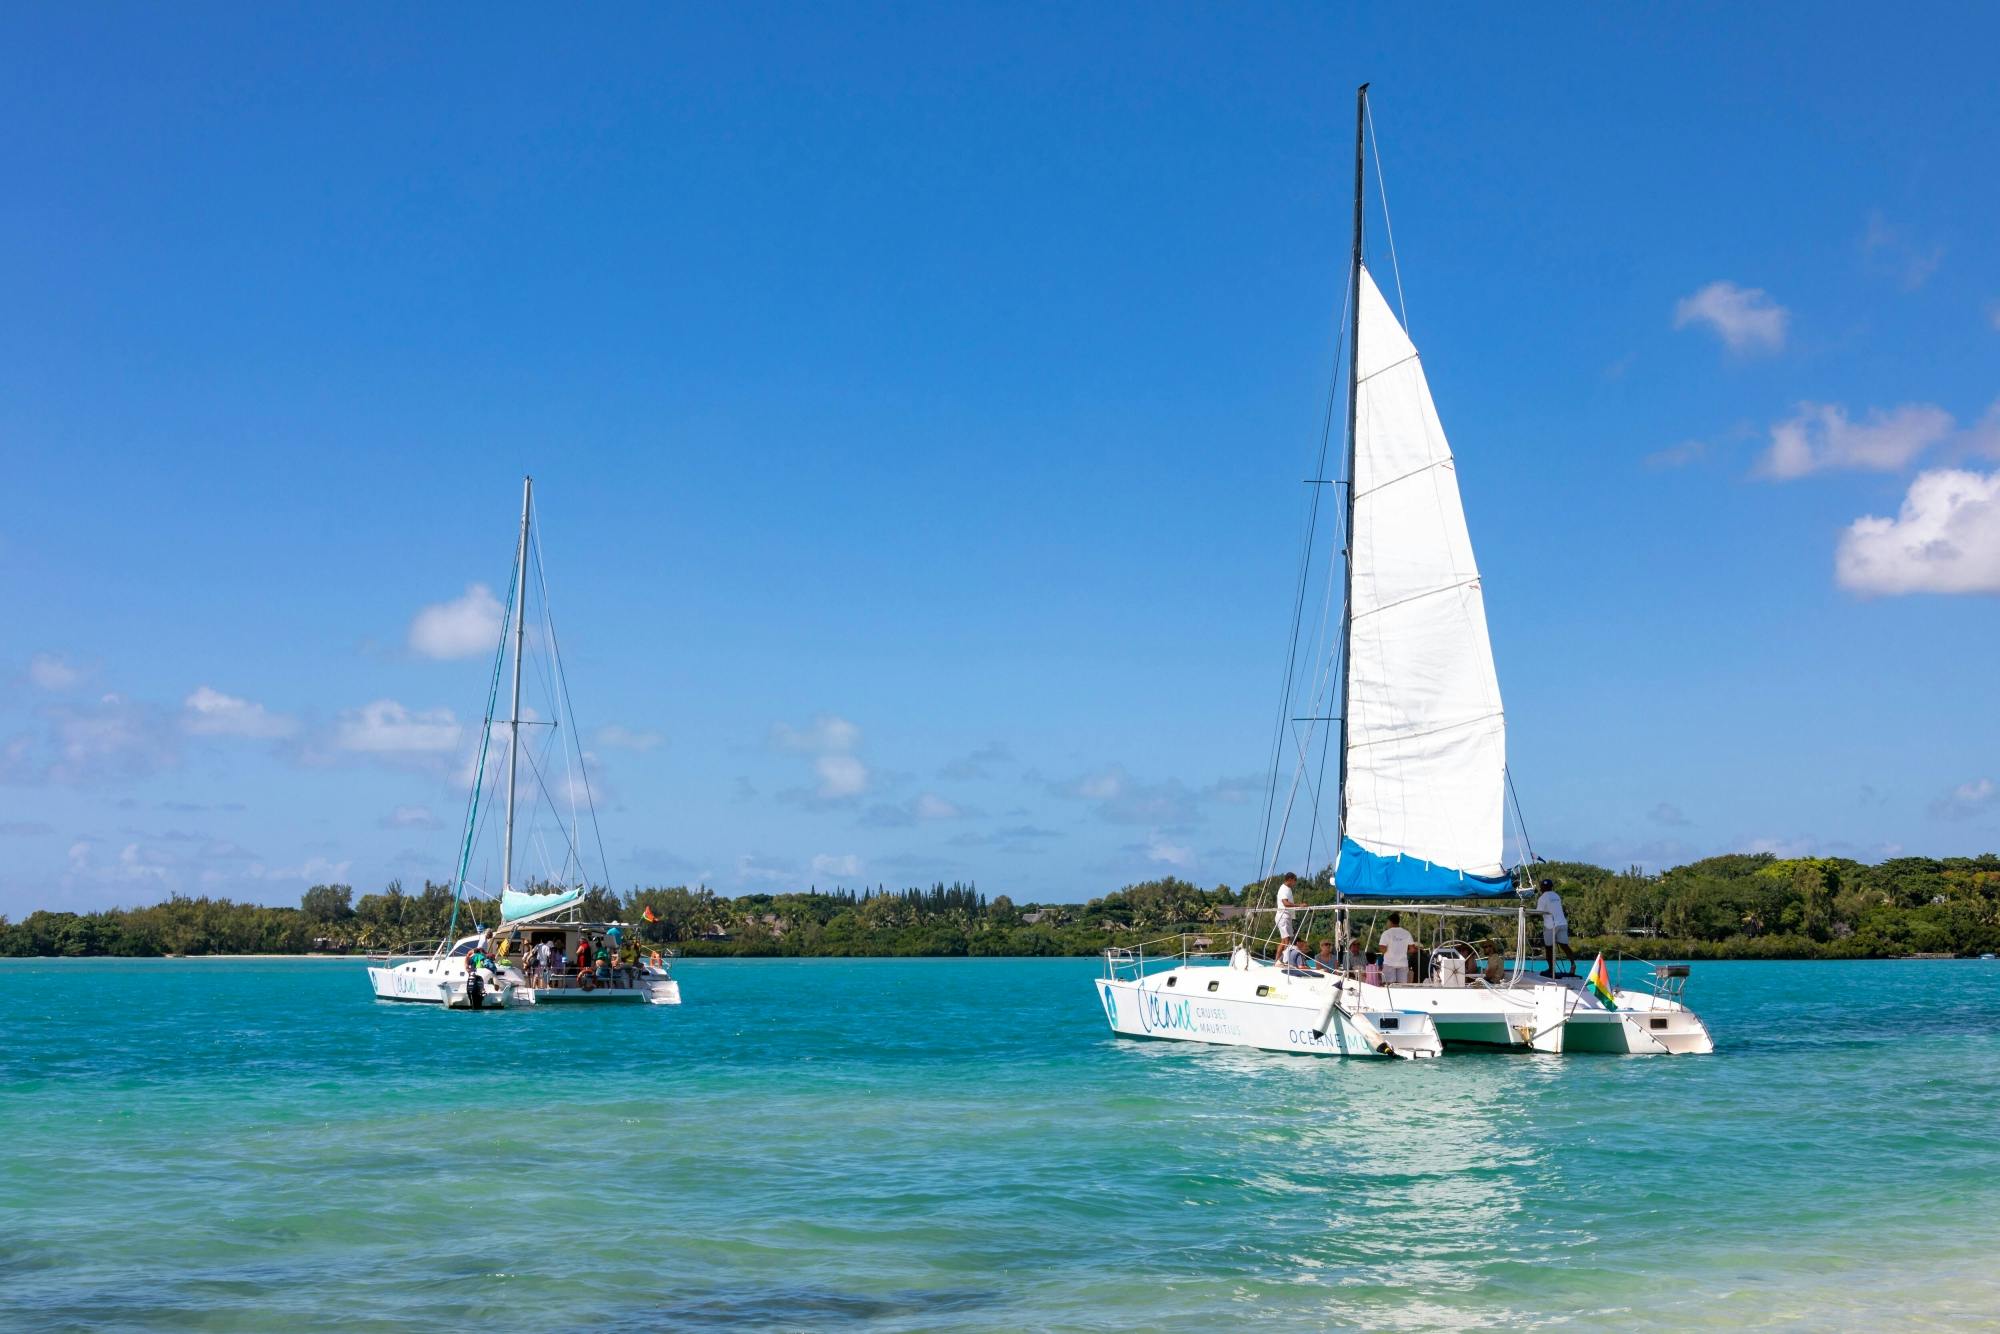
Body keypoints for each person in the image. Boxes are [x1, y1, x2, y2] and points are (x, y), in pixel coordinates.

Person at [1536, 878, 1578, 976]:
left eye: (1541, 886)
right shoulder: (1556, 896)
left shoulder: (1542, 898)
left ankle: (1551, 969)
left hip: (1551, 925)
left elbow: (1538, 912)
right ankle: (1573, 964)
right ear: (1551, 887)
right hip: (1562, 923)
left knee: (1549, 948)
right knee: (1564, 946)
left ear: (1542, 887)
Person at [1379, 912, 1415, 985]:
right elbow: (1413, 949)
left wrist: (1391, 949)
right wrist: (1403, 949)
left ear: (1390, 922)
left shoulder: (1386, 933)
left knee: (1388, 986)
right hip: (1403, 963)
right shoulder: (1406, 933)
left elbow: (1382, 949)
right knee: (1402, 987)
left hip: (1389, 963)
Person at [1274, 872, 1300, 949]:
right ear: (1290, 879)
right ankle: (1286, 960)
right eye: (1295, 880)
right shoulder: (1283, 889)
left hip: (1287, 917)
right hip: (1283, 917)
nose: (1295, 882)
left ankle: (1278, 960)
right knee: (1286, 940)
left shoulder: (1288, 889)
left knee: (1285, 941)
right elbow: (1285, 903)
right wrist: (1299, 905)